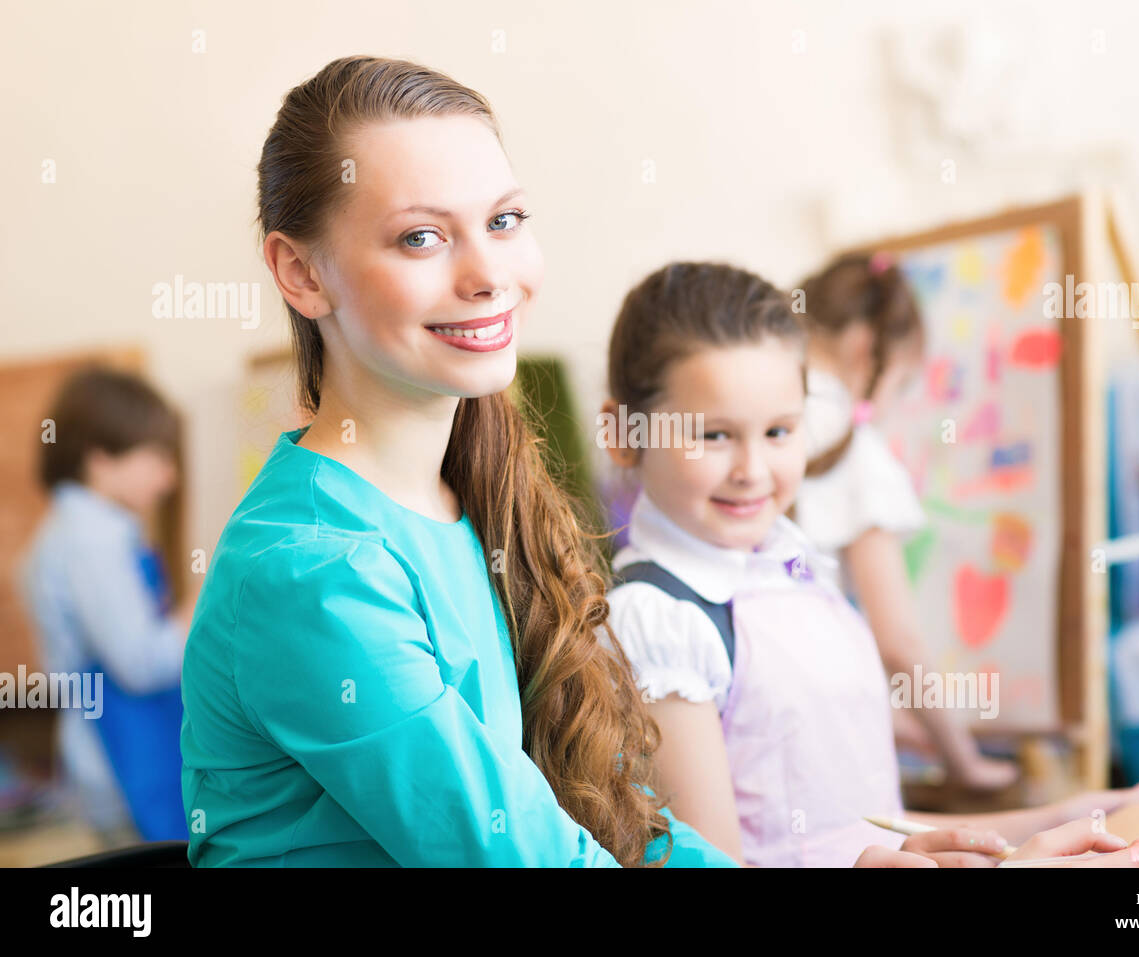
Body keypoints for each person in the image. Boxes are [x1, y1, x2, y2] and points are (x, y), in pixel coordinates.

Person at [180, 55, 735, 867]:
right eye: (422, 237)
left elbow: (611, 823)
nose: (488, 276)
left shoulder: (473, 502)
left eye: (505, 220)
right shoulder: (309, 570)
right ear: (301, 274)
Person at [600, 261, 1139, 866]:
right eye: (713, 435)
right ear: (623, 433)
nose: (753, 470)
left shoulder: (790, 567)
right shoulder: (658, 622)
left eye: (780, 432)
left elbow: (857, 823)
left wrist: (1047, 821)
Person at [794, 251, 1021, 791]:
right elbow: (899, 644)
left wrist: (896, 724)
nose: (893, 404)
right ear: (863, 349)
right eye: (899, 384)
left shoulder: (759, 417)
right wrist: (963, 760)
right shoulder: (856, 450)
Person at [21, 366, 193, 844]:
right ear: (100, 459)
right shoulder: (90, 541)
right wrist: (201, 605)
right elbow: (139, 664)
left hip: (122, 766)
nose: (169, 477)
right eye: (157, 456)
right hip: (126, 775)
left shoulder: (84, 530)